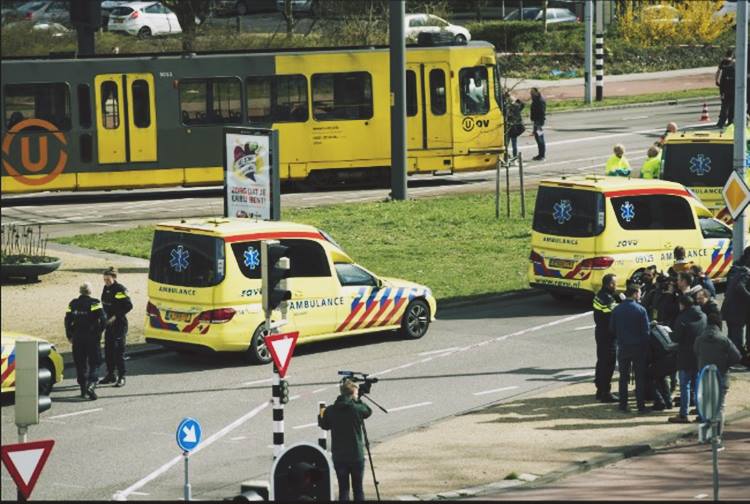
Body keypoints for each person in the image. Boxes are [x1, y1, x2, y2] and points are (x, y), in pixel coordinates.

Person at [320, 378, 373, 501]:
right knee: (358, 489)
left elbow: (324, 425)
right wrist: (358, 399)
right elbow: (368, 411)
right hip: (356, 455)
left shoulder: (330, 410)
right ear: (352, 394)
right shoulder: (356, 409)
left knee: (343, 490)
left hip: (339, 457)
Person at [610, 283, 651, 413]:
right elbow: (646, 332)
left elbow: (612, 328)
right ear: (634, 294)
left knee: (623, 377)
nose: (640, 295)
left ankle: (623, 404)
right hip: (638, 347)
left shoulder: (617, 309)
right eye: (639, 292)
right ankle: (640, 405)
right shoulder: (640, 310)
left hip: (623, 346)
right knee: (639, 377)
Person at [65, 282, 107, 400]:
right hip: (92, 338)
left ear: (80, 291)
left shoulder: (73, 304)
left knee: (80, 364)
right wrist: (99, 332)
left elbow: (67, 320)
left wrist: (69, 335)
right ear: (90, 291)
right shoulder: (95, 303)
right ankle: (91, 385)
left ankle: (83, 389)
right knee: (95, 362)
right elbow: (103, 320)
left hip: (77, 337)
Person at [668, 295, 706, 424]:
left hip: (685, 356)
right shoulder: (703, 316)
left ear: (683, 305)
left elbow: (676, 338)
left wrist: (670, 333)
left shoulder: (682, 318)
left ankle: (683, 414)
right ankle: (700, 413)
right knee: (697, 385)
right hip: (698, 355)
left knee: (685, 386)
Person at [694, 312, 742, 414]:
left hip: (704, 376)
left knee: (705, 401)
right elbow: (737, 356)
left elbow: (696, 352)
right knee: (719, 405)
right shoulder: (724, 340)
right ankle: (718, 424)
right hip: (721, 375)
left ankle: (705, 420)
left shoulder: (699, 339)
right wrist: (726, 364)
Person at [99, 267, 133, 387]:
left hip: (119, 324)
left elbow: (128, 306)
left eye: (108, 280)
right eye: (104, 280)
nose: (106, 282)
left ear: (114, 278)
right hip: (109, 325)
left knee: (119, 352)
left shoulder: (120, 289)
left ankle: (121, 377)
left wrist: (115, 316)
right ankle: (110, 375)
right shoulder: (105, 288)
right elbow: (104, 304)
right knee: (108, 351)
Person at [720, 246, 750, 364]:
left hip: (730, 309)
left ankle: (732, 357)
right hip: (737, 311)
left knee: (732, 336)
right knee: (736, 337)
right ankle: (736, 359)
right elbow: (739, 288)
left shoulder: (735, 268)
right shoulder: (745, 271)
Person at [592, 274, 619, 403]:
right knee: (609, 363)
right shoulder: (608, 299)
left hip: (600, 332)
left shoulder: (599, 295)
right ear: (610, 284)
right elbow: (616, 314)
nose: (617, 286)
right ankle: (605, 393)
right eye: (615, 283)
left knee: (601, 361)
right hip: (608, 336)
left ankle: (599, 389)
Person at [715, 49, 735, 128]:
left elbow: (718, 72)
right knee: (732, 105)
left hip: (724, 87)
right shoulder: (735, 63)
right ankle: (730, 121)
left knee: (725, 105)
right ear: (732, 55)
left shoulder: (723, 62)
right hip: (733, 86)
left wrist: (716, 80)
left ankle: (721, 122)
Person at [504, 91, 525, 158]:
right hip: (512, 127)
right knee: (512, 143)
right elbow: (522, 104)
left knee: (507, 144)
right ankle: (514, 156)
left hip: (510, 127)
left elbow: (521, 104)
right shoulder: (515, 106)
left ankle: (509, 156)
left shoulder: (507, 106)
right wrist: (513, 98)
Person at [529, 87, 546, 161]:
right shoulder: (535, 99)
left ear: (536, 92)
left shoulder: (540, 100)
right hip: (536, 122)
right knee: (538, 138)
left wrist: (539, 122)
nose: (531, 94)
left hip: (538, 122)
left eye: (532, 92)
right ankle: (540, 154)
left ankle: (542, 155)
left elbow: (542, 112)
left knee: (540, 138)